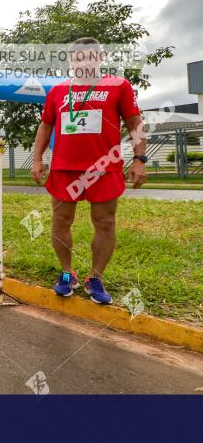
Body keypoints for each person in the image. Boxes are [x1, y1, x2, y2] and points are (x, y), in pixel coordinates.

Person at [31, 37, 147, 304]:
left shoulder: (118, 85)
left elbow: (134, 122)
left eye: (89, 56)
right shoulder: (59, 91)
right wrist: (37, 159)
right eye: (77, 57)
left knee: (105, 222)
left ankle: (95, 278)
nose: (83, 61)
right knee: (61, 221)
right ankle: (66, 273)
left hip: (104, 169)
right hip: (64, 169)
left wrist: (140, 159)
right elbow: (45, 126)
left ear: (100, 58)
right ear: (71, 61)